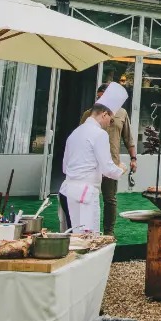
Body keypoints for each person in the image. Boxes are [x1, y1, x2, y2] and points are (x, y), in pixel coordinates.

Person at [60, 82, 127, 234]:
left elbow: (65, 167)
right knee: (87, 241)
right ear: (104, 114)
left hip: (66, 190)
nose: (109, 124)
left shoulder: (76, 132)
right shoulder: (100, 134)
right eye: (110, 120)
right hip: (84, 195)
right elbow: (108, 169)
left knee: (71, 237)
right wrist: (121, 169)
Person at [78, 83, 136, 236]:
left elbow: (128, 138)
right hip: (90, 165)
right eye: (98, 98)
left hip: (112, 163)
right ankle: (87, 231)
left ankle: (109, 232)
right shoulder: (88, 115)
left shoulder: (122, 113)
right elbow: (80, 138)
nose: (99, 100)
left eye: (102, 97)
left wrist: (133, 158)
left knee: (109, 199)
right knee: (89, 197)